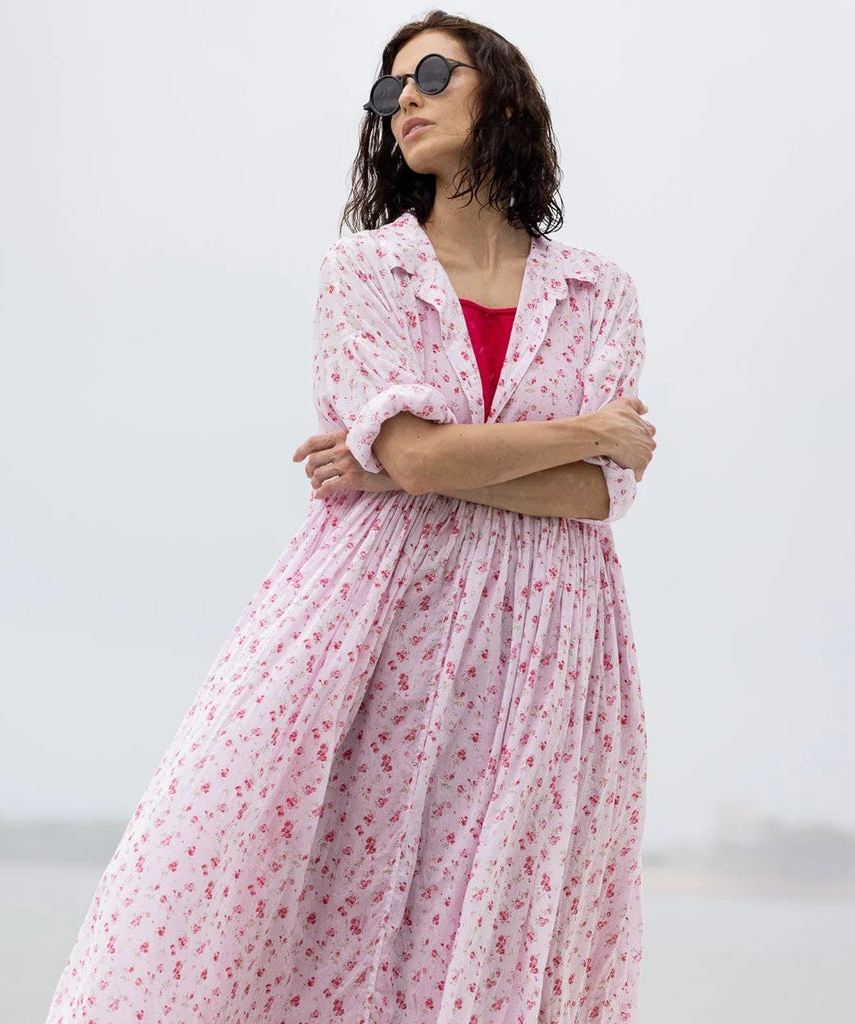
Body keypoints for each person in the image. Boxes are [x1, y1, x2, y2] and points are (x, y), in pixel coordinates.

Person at [44, 9, 655, 1024]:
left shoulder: (602, 291)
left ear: (500, 93)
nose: (402, 99)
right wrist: (568, 431)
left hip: (549, 642)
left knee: (492, 907)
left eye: (426, 74)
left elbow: (597, 493)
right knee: (320, 892)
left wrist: (400, 466)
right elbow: (426, 451)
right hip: (374, 624)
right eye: (385, 91)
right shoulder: (364, 272)